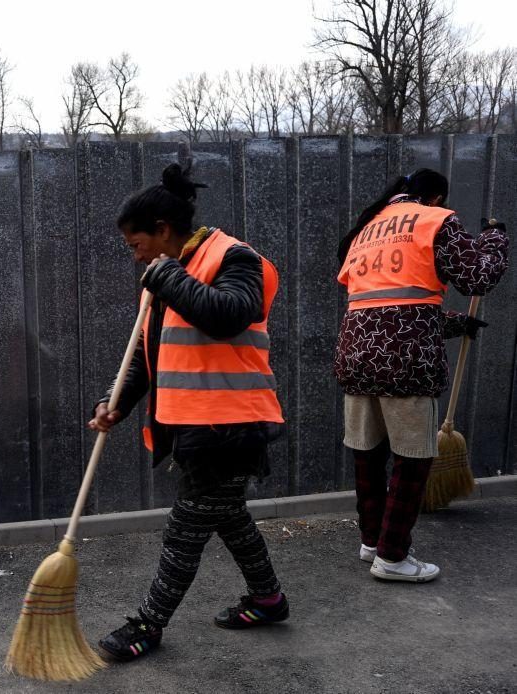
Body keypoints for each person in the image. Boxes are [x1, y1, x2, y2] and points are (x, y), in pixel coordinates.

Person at [91, 164, 288, 663]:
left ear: (162, 229)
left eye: (138, 244)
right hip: (191, 427)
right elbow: (146, 357)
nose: (135, 256)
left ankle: (148, 625)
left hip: (231, 425)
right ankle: (268, 599)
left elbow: (229, 314)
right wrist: (112, 402)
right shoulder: (163, 278)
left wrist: (168, 275)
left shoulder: (236, 257)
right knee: (228, 517)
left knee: (185, 529)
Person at [335, 168, 508, 583]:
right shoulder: (434, 220)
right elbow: (479, 276)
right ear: (435, 198)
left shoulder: (368, 227)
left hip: (357, 356)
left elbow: (388, 301)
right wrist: (494, 238)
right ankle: (393, 557)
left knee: (368, 455)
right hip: (406, 363)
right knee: (413, 460)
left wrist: (452, 324)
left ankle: (373, 541)